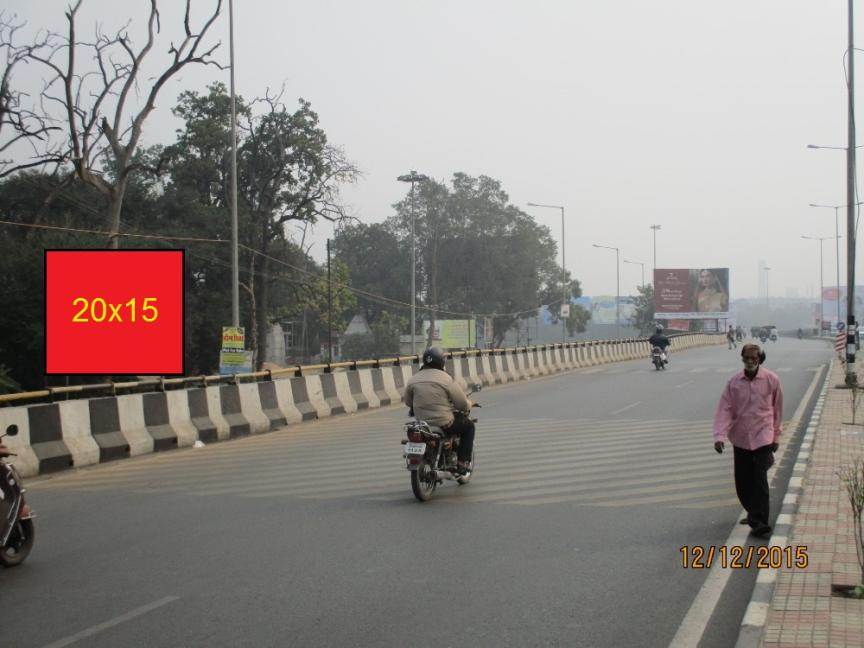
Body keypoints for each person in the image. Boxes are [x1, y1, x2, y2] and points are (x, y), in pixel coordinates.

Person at [712, 343, 783, 538]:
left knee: (759, 479)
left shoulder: (771, 380)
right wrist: (719, 436)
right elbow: (724, 409)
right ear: (742, 358)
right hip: (741, 437)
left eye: (754, 358)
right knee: (743, 481)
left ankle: (760, 523)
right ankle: (753, 510)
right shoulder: (734, 383)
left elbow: (777, 410)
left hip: (764, 435)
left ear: (760, 359)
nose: (750, 361)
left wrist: (776, 436)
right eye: (747, 358)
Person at [403, 346, 475, 473]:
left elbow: (408, 402)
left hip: (422, 424)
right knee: (469, 427)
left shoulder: (413, 379)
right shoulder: (446, 379)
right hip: (443, 423)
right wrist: (470, 404)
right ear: (442, 361)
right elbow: (462, 404)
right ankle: (462, 462)